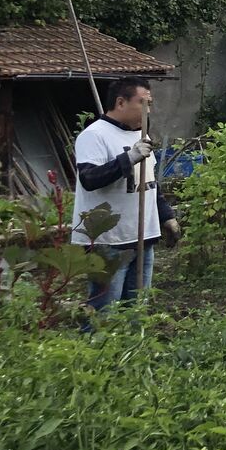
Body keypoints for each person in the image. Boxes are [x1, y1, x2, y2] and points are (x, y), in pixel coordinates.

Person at [71, 77, 181, 312]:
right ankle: (96, 347)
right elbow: (89, 179)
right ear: (121, 102)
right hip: (109, 241)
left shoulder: (141, 136)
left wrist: (166, 216)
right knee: (104, 311)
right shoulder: (94, 136)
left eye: (150, 104)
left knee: (136, 310)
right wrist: (128, 158)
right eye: (143, 103)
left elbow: (149, 182)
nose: (148, 110)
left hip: (143, 236)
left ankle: (132, 348)